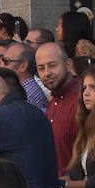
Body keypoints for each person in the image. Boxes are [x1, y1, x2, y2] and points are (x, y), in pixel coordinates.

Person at [37, 42, 81, 176]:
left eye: (52, 65)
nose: (47, 73)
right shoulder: (52, 101)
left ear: (68, 65)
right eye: (41, 68)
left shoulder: (84, 98)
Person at [4, 42, 49, 110]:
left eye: (6, 61)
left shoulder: (28, 96)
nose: (1, 65)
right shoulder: (24, 91)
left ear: (23, 66)